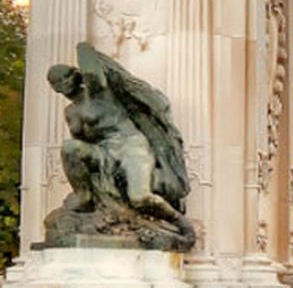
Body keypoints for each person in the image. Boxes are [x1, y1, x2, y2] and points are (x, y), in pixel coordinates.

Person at [48, 42, 193, 240]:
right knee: (69, 147)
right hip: (104, 152)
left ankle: (179, 221)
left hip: (130, 145)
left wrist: (81, 46)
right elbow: (80, 149)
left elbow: (90, 66)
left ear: (75, 75)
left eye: (63, 78)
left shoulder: (98, 92)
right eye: (55, 83)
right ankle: (84, 196)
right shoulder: (71, 113)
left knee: (140, 197)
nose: (60, 85)